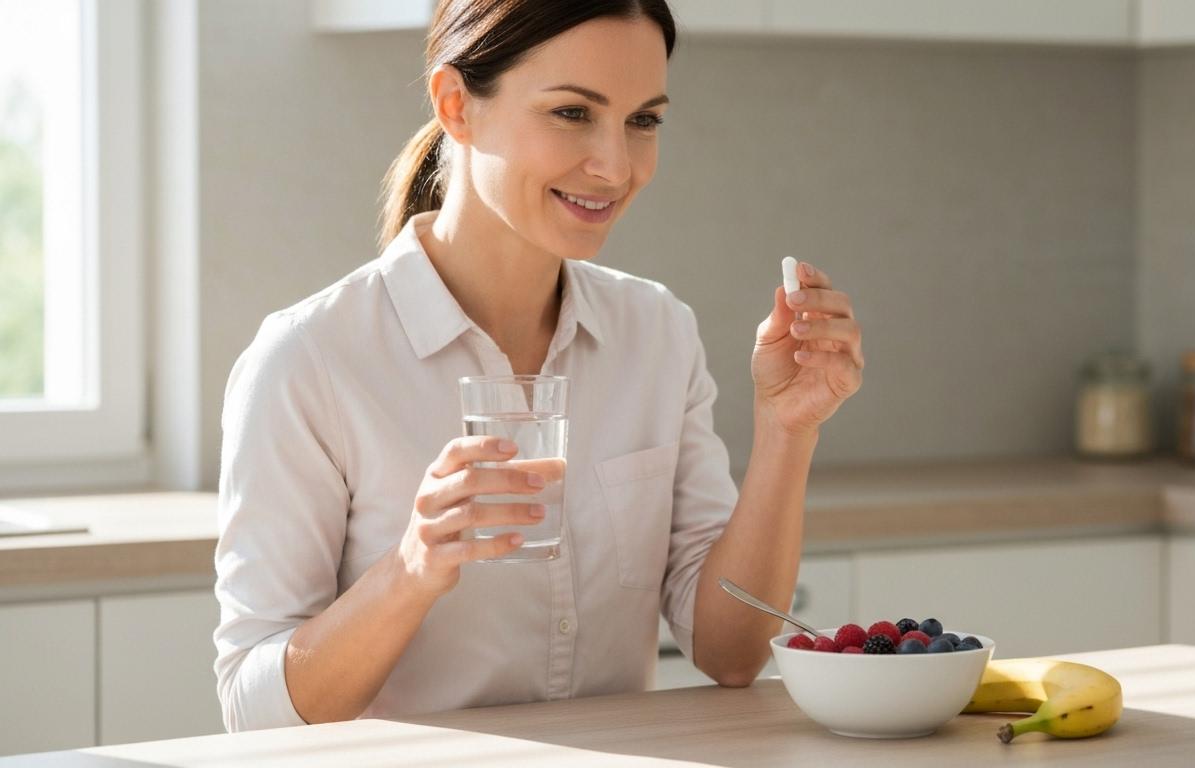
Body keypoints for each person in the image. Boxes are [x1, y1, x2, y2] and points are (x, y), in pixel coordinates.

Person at [213, 0, 864, 732]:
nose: (616, 166)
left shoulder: (656, 334)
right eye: (571, 113)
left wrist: (787, 430)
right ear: (457, 105)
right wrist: (411, 572)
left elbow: (732, 652)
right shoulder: (310, 362)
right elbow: (254, 711)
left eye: (643, 121)